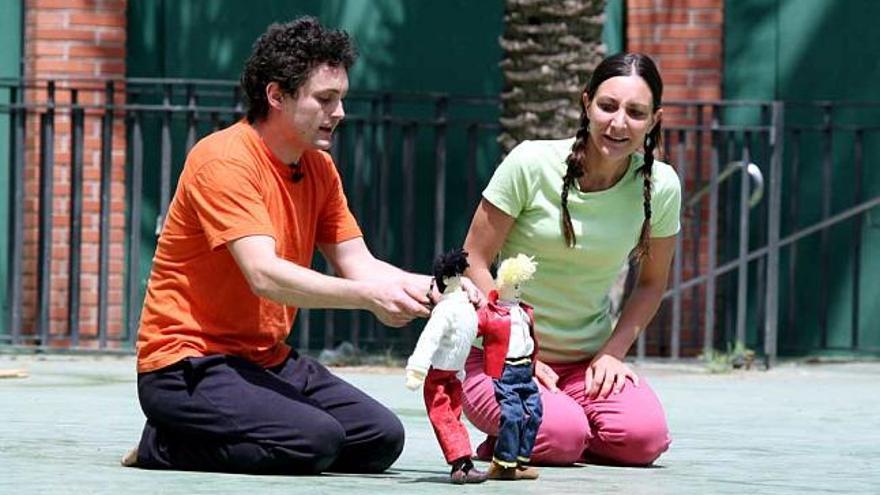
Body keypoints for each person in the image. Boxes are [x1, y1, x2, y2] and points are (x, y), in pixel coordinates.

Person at [123, 17, 479, 475]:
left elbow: (358, 263)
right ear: (276, 95)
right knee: (314, 441)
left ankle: (226, 431)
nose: (340, 112)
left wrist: (437, 289)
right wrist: (369, 299)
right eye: (325, 99)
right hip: (185, 366)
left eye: (342, 99)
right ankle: (164, 444)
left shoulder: (319, 169)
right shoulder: (223, 160)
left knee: (379, 439)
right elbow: (264, 274)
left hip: (264, 360)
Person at [461, 52, 681, 467]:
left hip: (587, 364)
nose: (619, 123)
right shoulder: (530, 162)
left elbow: (651, 284)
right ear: (586, 104)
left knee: (643, 440)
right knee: (563, 436)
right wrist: (517, 350)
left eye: (636, 112)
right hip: (500, 358)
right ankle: (534, 433)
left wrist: (613, 353)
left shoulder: (662, 185)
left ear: (654, 120)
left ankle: (536, 434)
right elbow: (473, 258)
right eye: (607, 106)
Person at [404, 249, 487, 484]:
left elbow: (428, 340)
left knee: (444, 418)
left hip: (439, 375)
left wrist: (416, 370)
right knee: (453, 417)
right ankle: (462, 463)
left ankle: (461, 463)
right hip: (456, 374)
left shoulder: (445, 310)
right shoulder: (468, 308)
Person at [477, 254, 542, 480]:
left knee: (535, 412)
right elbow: (472, 328)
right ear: (503, 284)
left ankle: (520, 461)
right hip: (505, 371)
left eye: (520, 286)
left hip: (525, 369)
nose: (518, 290)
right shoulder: (490, 313)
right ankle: (502, 462)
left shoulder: (524, 311)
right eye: (515, 285)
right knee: (512, 415)